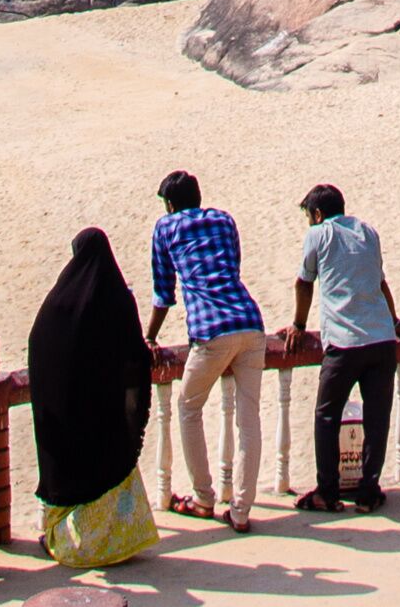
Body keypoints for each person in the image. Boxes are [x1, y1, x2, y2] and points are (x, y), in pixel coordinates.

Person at [27, 228, 159, 568]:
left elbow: (41, 347)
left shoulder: (58, 300)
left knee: (76, 473)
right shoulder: (117, 296)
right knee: (107, 467)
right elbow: (134, 351)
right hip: (105, 410)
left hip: (69, 410)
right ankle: (116, 544)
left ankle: (71, 545)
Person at [142, 170, 265, 533]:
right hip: (249, 321)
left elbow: (164, 292)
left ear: (168, 204)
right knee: (249, 420)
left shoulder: (166, 229)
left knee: (188, 408)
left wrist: (150, 336)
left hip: (211, 330)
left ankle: (203, 497)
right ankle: (241, 510)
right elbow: (232, 268)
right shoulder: (224, 219)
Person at [287, 184, 400, 512]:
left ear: (317, 214)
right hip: (382, 339)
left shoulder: (318, 234)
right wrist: (395, 321)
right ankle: (369, 492)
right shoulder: (368, 232)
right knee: (377, 417)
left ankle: (327, 492)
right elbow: (380, 282)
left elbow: (304, 282)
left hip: (344, 343)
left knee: (327, 415)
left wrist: (298, 326)